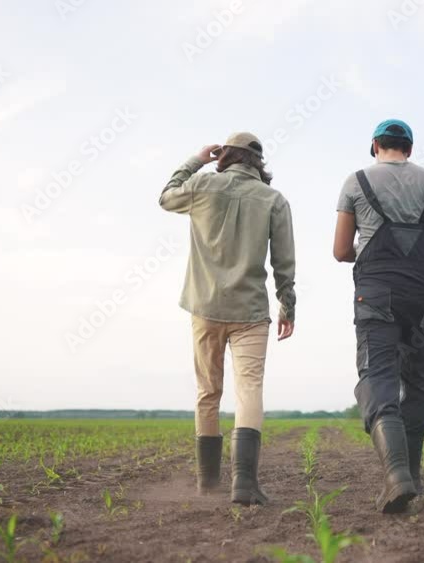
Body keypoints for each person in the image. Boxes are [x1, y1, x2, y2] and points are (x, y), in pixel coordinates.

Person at [159, 132, 296, 505]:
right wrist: (288, 305)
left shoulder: (203, 184)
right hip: (251, 311)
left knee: (208, 392)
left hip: (204, 307)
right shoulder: (273, 200)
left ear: (227, 157)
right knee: (249, 389)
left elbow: (166, 196)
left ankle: (207, 484)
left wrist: (197, 160)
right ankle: (244, 484)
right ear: (258, 164)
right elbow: (284, 263)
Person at [333, 119, 424, 513]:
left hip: (377, 295)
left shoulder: (355, 182)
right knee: (417, 380)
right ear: (410, 149)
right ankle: (413, 477)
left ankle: (396, 476)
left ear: (374, 146)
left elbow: (339, 250)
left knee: (378, 377)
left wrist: (370, 248)